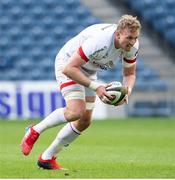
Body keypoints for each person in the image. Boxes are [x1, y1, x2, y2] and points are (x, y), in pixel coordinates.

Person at [20, 14, 141, 170]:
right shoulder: (100, 41)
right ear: (118, 34)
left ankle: (47, 158)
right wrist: (96, 87)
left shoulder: (133, 46)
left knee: (84, 121)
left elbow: (129, 74)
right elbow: (69, 68)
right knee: (75, 111)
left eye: (135, 38)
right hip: (68, 64)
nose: (132, 42)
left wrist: (127, 92)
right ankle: (34, 130)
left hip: (88, 70)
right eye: (129, 38)